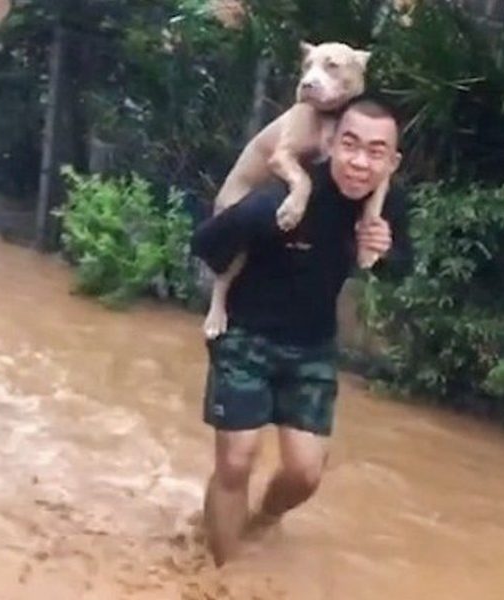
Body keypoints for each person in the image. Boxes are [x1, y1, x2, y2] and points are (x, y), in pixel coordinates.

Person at [190, 96, 413, 565]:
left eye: (375, 152)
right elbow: (206, 243)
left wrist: (384, 252)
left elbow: (399, 271)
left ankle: (261, 522)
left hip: (312, 345)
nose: (359, 162)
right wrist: (253, 229)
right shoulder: (284, 197)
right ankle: (219, 577)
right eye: (350, 145)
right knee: (237, 459)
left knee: (305, 474)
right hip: (246, 333)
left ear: (390, 162)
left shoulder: (385, 204)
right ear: (330, 144)